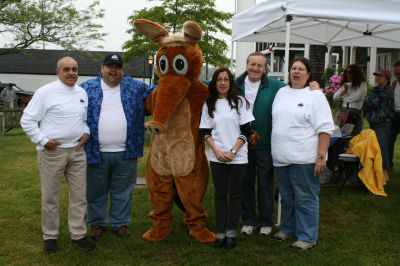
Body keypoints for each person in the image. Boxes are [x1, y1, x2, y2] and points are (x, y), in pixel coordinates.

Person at [20, 56, 95, 253]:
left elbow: (83, 120)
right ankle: (50, 236)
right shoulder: (45, 92)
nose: (72, 73)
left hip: (78, 152)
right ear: (58, 72)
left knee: (79, 197)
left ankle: (78, 234)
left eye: (74, 69)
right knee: (50, 197)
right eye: (67, 69)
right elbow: (27, 120)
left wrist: (86, 132)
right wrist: (44, 141)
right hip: (52, 153)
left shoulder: (82, 92)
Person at [80, 54, 153, 239]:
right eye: (109, 66)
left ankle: (120, 223)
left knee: (123, 191)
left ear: (123, 70)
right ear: (102, 68)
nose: (113, 70)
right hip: (95, 152)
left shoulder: (134, 86)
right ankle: (97, 223)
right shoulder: (86, 88)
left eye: (117, 67)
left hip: (127, 151)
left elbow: (158, 93)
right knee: (95, 191)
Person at [271, 57, 334, 251]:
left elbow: (324, 128)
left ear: (308, 74)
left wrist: (321, 156)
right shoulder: (281, 91)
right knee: (287, 198)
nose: (296, 72)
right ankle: (289, 228)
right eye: (293, 68)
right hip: (281, 158)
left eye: (300, 69)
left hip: (304, 159)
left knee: (305, 198)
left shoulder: (315, 96)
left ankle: (307, 237)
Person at [200, 68, 254, 249]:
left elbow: (246, 131)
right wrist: (216, 151)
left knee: (236, 194)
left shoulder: (240, 102)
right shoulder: (208, 104)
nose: (222, 83)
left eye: (226, 79)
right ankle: (220, 232)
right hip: (217, 157)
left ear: (231, 83)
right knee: (221, 194)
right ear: (214, 83)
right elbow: (205, 132)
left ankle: (232, 232)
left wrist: (232, 151)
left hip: (238, 157)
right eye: (219, 80)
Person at [235, 52, 286, 236]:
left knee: (265, 183)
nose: (255, 68)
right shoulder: (235, 85)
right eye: (252, 64)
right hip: (241, 143)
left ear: (265, 69)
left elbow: (296, 89)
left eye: (260, 66)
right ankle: (248, 220)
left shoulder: (276, 86)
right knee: (245, 182)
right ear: (246, 64)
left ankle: (266, 221)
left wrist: (312, 86)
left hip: (265, 143)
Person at [363, 69, 395, 181]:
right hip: (373, 122)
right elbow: (366, 102)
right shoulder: (375, 90)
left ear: (386, 79)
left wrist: (372, 102)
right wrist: (372, 103)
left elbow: (375, 104)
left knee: (382, 147)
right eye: (377, 76)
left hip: (383, 124)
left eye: (380, 76)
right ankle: (376, 171)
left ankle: (385, 173)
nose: (377, 78)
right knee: (374, 147)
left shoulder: (388, 92)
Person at [333, 64, 368, 135]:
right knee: (338, 135)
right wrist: (344, 91)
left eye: (350, 72)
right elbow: (335, 98)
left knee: (353, 136)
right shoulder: (345, 85)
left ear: (356, 73)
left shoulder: (362, 85)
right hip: (343, 112)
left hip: (354, 113)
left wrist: (343, 97)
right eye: (346, 72)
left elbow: (355, 97)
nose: (347, 74)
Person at [389, 61, 400, 170]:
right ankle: (388, 163)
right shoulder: (395, 83)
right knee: (390, 138)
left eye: (399, 73)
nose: (397, 75)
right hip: (395, 115)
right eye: (395, 73)